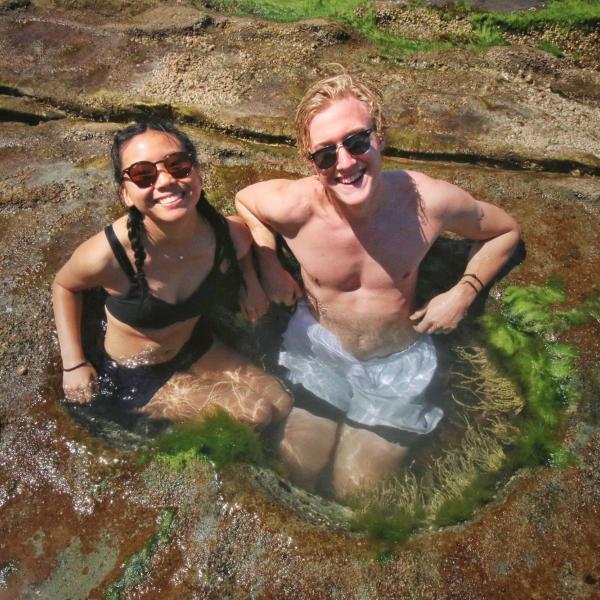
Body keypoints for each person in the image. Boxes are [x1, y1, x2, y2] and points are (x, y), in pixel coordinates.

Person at [235, 73, 521, 499]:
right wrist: (269, 262)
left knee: (355, 492)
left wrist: (464, 291)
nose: (345, 163)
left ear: (379, 136)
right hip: (318, 350)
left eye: (355, 142)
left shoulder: (428, 202)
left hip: (396, 366)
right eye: (326, 154)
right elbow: (245, 201)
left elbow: (505, 231)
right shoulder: (294, 207)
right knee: (296, 473)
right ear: (309, 160)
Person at [52, 122, 291, 427]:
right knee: (256, 413)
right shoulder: (108, 255)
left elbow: (244, 248)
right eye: (143, 175)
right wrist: (74, 363)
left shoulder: (225, 236)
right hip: (133, 375)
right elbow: (64, 285)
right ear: (126, 194)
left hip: (193, 345)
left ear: (197, 172)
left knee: (280, 399)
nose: (165, 180)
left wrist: (252, 285)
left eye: (177, 165)